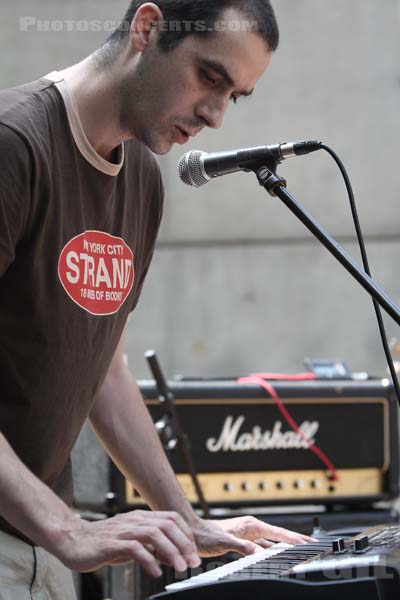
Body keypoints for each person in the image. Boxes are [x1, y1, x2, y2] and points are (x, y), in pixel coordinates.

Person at [0, 1, 312, 597]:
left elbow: (104, 365)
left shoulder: (141, 174)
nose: (217, 116)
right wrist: (65, 527)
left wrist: (187, 520)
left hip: (39, 547)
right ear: (148, 29)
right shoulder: (14, 143)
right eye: (210, 78)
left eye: (236, 96)